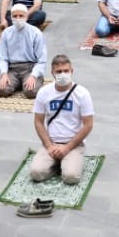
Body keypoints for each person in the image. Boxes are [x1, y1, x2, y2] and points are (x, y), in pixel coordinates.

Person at [30, 55, 95, 184]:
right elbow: (38, 121)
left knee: (71, 177)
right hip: (51, 143)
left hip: (73, 144)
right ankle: (56, 165)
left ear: (72, 71)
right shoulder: (44, 92)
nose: (63, 74)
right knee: (36, 174)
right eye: (59, 72)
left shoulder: (82, 94)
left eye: (66, 71)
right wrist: (48, 146)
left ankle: (65, 162)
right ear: (52, 73)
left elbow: (88, 125)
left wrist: (67, 147)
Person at [0, 4, 49, 98]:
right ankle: (18, 82)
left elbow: (42, 59)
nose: (18, 18)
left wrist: (33, 75)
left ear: (27, 17)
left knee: (31, 92)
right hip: (12, 69)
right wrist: (3, 73)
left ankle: (29, 81)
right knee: (1, 90)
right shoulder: (6, 33)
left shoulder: (36, 33)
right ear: (11, 17)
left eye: (21, 16)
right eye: (15, 16)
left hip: (30, 68)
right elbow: (1, 56)